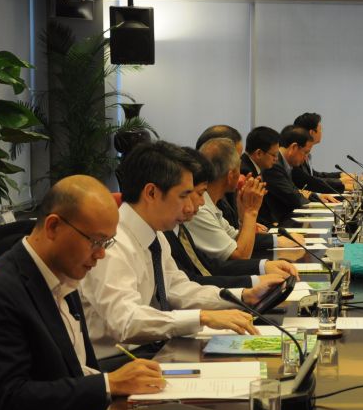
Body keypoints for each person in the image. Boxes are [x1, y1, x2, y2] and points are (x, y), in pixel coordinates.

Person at [0, 176, 164, 410]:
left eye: (107, 243)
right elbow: (7, 399)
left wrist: (120, 384)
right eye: (96, 241)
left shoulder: (63, 273)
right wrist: (109, 384)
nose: (101, 254)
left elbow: (74, 370)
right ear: (53, 226)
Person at [82, 141, 268, 363]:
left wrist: (243, 296)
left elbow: (178, 290)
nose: (190, 207)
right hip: (117, 362)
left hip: (151, 349)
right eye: (183, 196)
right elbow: (126, 321)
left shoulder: (156, 235)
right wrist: (202, 317)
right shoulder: (113, 243)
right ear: (151, 193)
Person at [167, 147, 297, 288]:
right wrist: (250, 212)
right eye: (184, 195)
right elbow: (239, 255)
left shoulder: (179, 226)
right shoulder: (193, 216)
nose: (202, 201)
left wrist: (263, 266)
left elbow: (210, 266)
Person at [259, 125, 326, 226]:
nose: (306, 158)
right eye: (305, 152)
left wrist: (308, 195)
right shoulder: (274, 166)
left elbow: (295, 191)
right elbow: (294, 198)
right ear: (294, 147)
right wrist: (304, 196)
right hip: (274, 223)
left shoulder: (286, 164)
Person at [292, 112, 351, 193]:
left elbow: (313, 175)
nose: (321, 132)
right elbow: (308, 181)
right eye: (320, 129)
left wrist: (339, 175)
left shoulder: (303, 151)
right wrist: (341, 183)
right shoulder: (296, 154)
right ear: (311, 133)